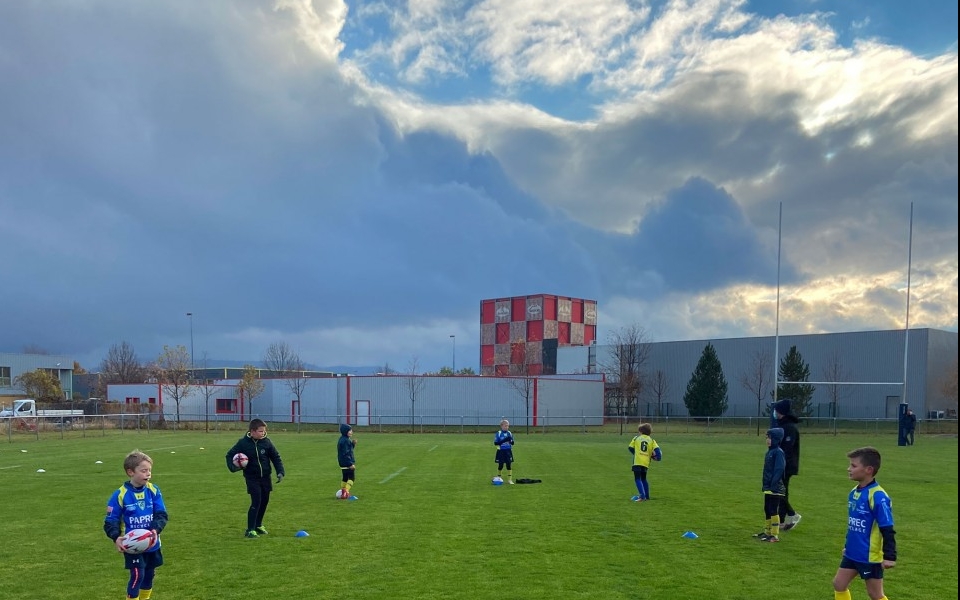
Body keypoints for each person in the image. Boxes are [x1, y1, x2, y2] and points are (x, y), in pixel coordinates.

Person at [832, 446, 897, 600]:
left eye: (853, 466)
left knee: (875, 594)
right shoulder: (854, 492)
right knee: (839, 584)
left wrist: (890, 556)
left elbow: (887, 528)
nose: (849, 469)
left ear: (868, 469)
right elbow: (853, 524)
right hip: (853, 553)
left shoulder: (878, 496)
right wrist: (848, 546)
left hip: (869, 556)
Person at [103, 449, 169, 600]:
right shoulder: (120, 494)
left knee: (149, 575)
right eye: (144, 470)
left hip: (152, 542)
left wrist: (155, 529)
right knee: (138, 575)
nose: (148, 474)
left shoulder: (153, 490)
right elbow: (110, 521)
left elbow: (161, 514)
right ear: (130, 472)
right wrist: (116, 537)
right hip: (132, 545)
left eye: (150, 470)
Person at [226, 418, 285, 538]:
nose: (263, 433)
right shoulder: (243, 443)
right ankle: (250, 529)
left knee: (264, 501)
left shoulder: (267, 442)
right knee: (256, 501)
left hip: (265, 477)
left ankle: (258, 525)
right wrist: (233, 467)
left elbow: (276, 457)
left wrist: (280, 472)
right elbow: (229, 455)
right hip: (252, 478)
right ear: (252, 431)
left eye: (264, 431)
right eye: (260, 431)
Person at [772, 399, 802, 531]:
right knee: (781, 491)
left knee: (780, 492)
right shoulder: (782, 426)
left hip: (785, 466)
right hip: (781, 465)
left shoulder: (789, 428)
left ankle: (792, 514)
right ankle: (782, 521)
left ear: (781, 412)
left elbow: (787, 449)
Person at [753, 427, 786, 543]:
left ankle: (775, 535)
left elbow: (779, 469)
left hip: (775, 487)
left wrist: (773, 483)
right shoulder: (770, 452)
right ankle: (767, 532)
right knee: (767, 508)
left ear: (776, 439)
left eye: (770, 438)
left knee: (773, 509)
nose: (767, 440)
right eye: (767, 437)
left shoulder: (778, 452)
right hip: (768, 486)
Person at [628, 422, 662, 502]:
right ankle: (647, 496)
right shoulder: (652, 440)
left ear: (641, 431)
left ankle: (642, 496)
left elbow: (630, 447)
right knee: (644, 478)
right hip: (646, 462)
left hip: (637, 461)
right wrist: (655, 457)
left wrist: (636, 454)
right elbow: (658, 451)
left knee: (637, 479)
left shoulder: (636, 438)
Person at [337, 423, 358, 499]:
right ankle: (346, 492)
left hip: (342, 462)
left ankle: (343, 493)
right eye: (350, 430)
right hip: (347, 462)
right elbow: (346, 453)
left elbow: (348, 450)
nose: (352, 432)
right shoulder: (345, 440)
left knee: (345, 477)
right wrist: (350, 464)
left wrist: (353, 444)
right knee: (352, 478)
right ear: (346, 431)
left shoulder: (343, 439)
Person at [494, 419, 515, 484]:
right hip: (501, 451)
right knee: (501, 465)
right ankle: (498, 478)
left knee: (509, 465)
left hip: (508, 451)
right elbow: (496, 443)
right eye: (505, 426)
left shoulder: (509, 433)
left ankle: (509, 480)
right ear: (501, 426)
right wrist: (505, 440)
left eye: (507, 426)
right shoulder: (499, 433)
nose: (506, 427)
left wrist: (510, 441)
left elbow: (513, 443)